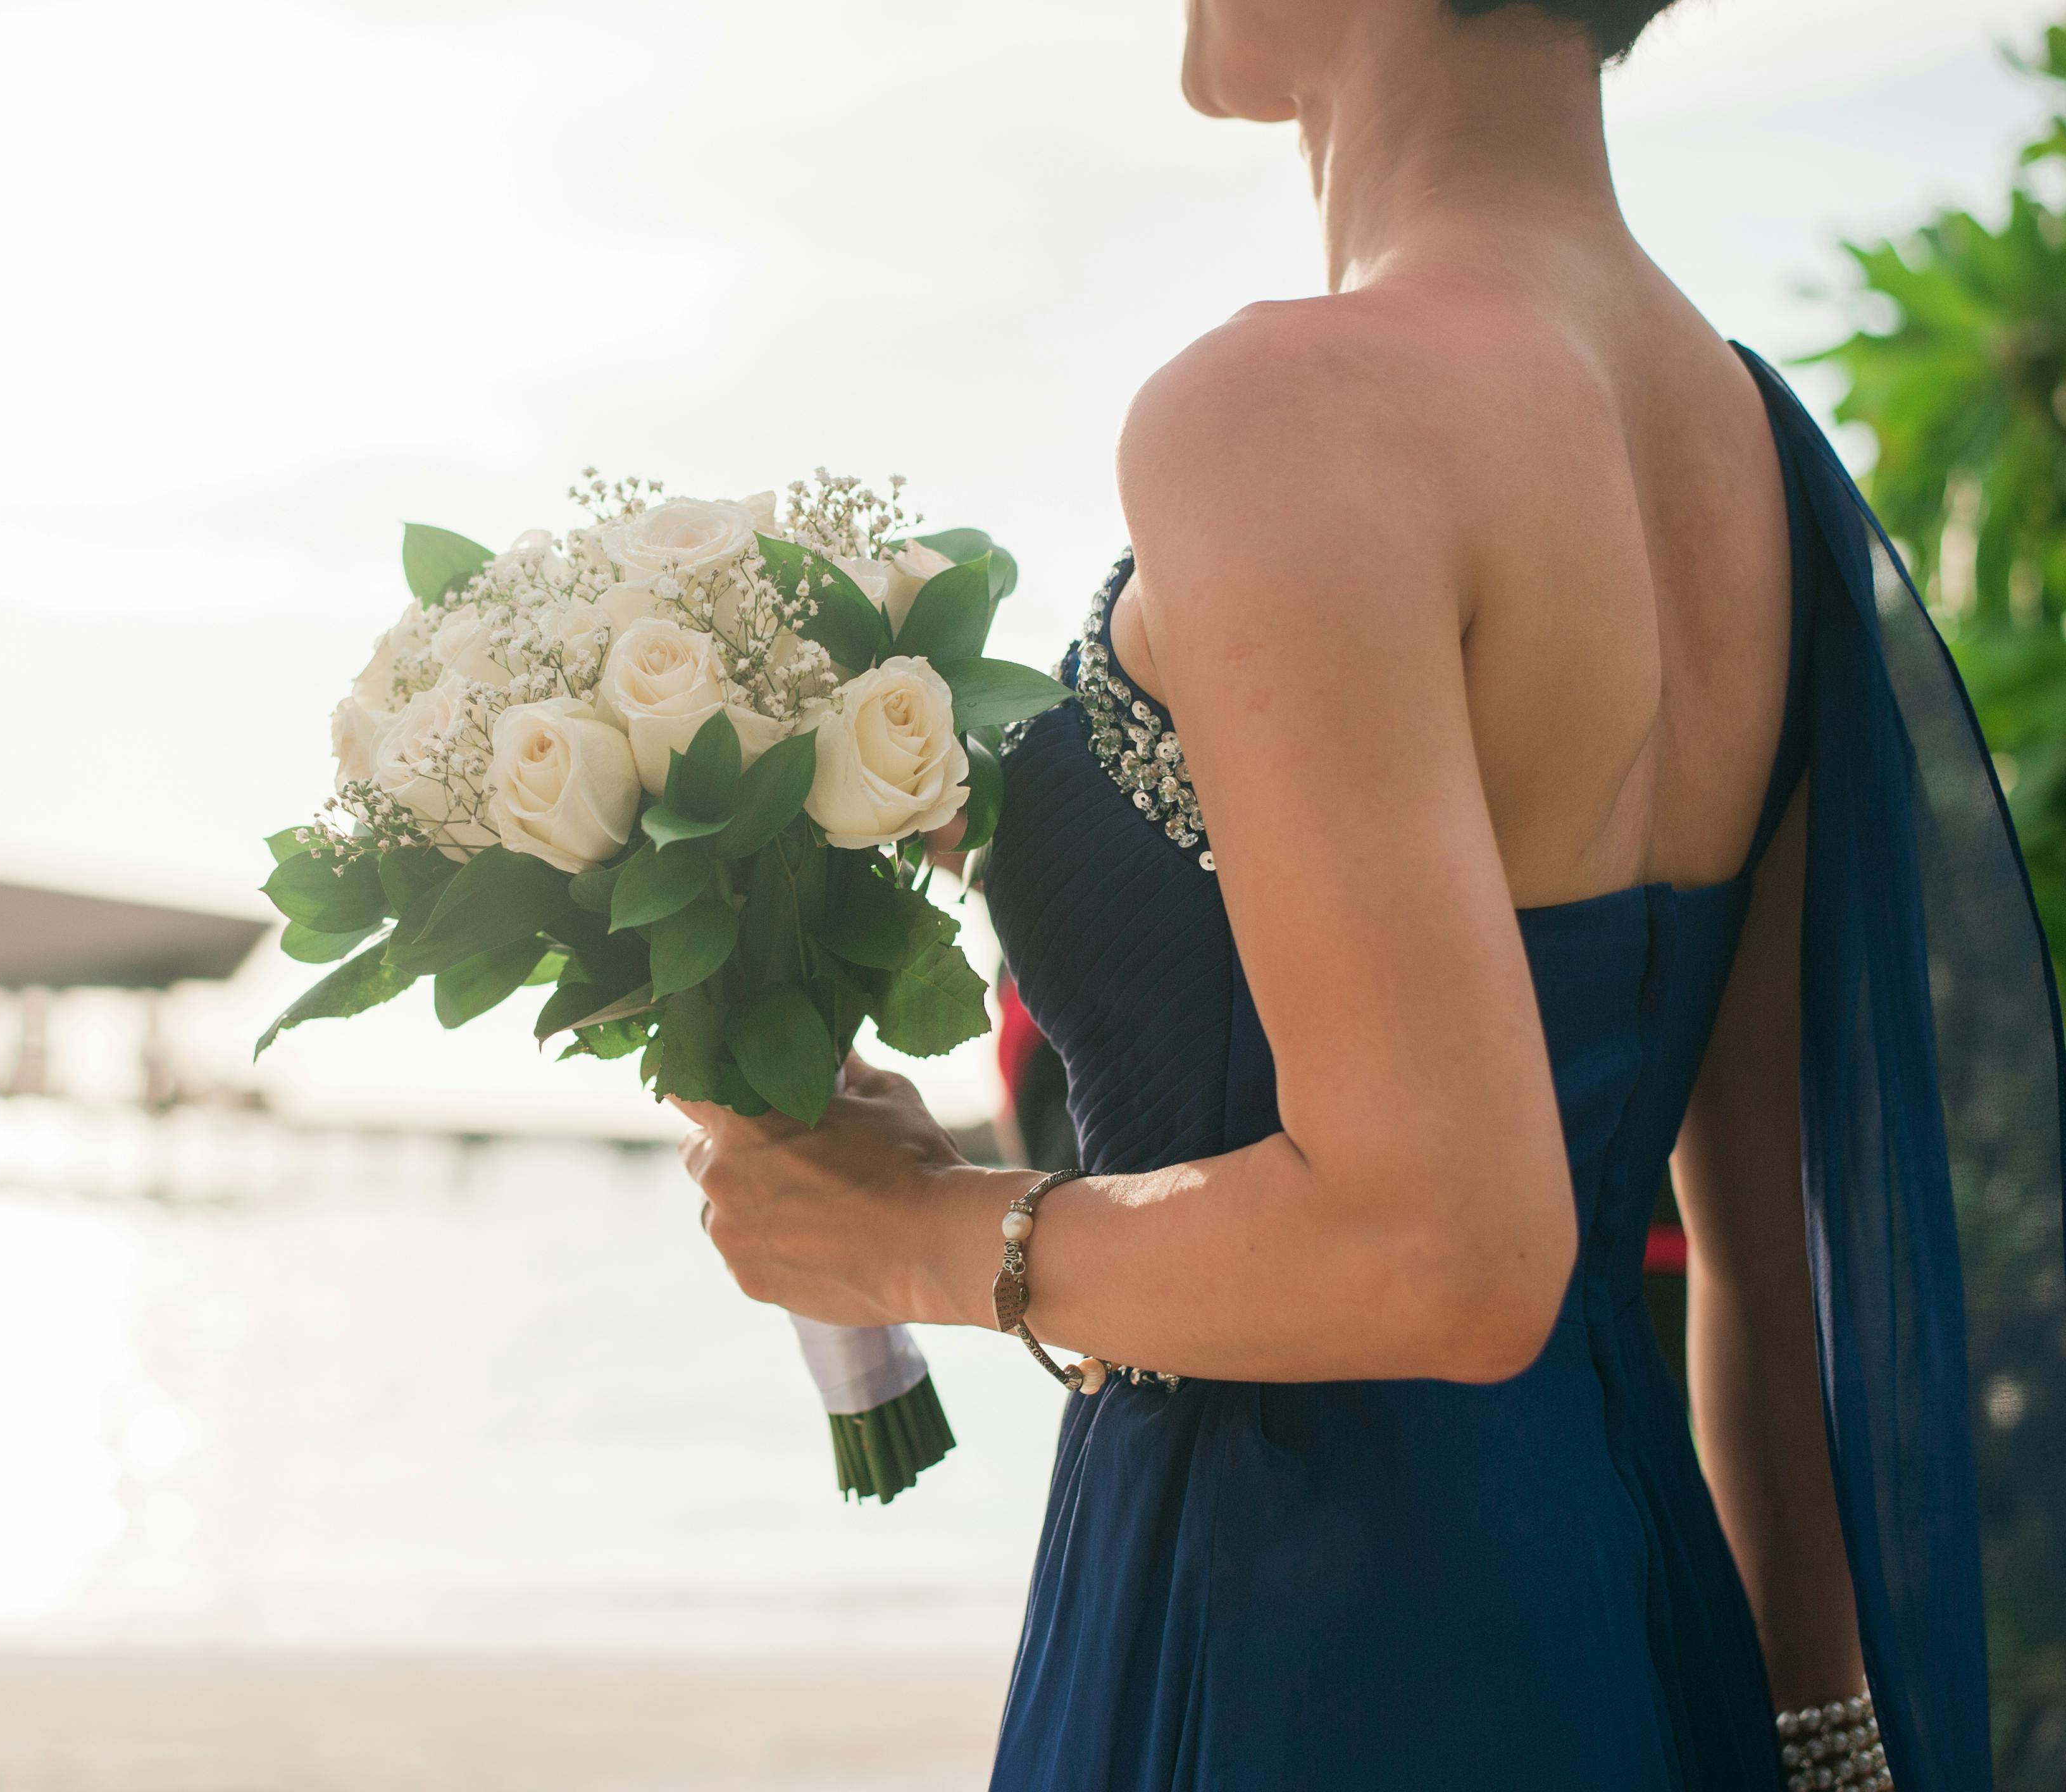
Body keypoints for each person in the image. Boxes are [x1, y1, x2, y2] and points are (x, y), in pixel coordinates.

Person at [670, 1, 2066, 1786]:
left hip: (1305, 1647)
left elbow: (1446, 1253)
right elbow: (1770, 1264)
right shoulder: (1744, 448)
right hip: (1645, 1635)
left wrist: (915, 1238)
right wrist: (1819, 1743)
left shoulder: (1292, 408)